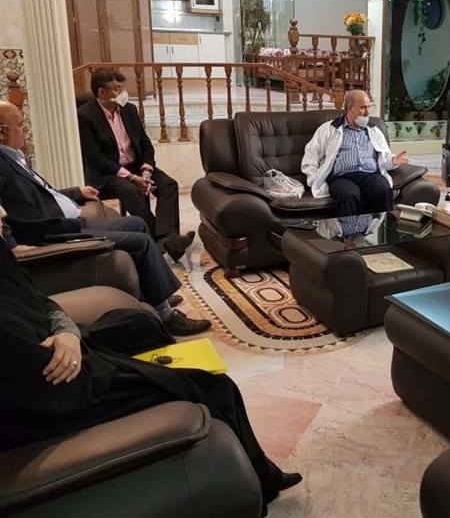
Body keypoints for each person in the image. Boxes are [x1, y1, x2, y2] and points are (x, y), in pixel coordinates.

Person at [0, 205, 302, 516]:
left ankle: (262, 472)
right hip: (59, 396)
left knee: (143, 325)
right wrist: (113, 367)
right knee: (215, 387)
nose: (4, 212)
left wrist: (67, 333)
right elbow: (44, 383)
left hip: (66, 354)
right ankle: (261, 483)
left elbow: (40, 301)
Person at [0, 100, 210, 335]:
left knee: (137, 223)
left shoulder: (13, 157)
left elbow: (44, 195)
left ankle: (152, 293)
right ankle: (167, 316)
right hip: (54, 232)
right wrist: (11, 244)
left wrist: (76, 192)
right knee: (140, 242)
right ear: (2, 132)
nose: (26, 128)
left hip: (70, 222)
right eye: (20, 124)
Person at [77, 69, 193, 261]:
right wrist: (131, 177)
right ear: (102, 93)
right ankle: (164, 240)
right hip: (107, 172)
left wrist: (146, 170)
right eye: (117, 89)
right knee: (130, 190)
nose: (122, 93)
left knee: (168, 184)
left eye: (122, 87)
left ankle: (167, 238)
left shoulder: (129, 110)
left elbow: (145, 145)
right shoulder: (85, 115)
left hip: (136, 165)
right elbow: (95, 158)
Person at [301, 89, 409, 216]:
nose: (367, 112)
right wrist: (314, 180)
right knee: (347, 195)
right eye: (363, 108)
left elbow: (383, 159)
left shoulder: (374, 131)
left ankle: (380, 228)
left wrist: (393, 161)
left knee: (383, 190)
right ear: (350, 108)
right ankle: (349, 229)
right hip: (342, 177)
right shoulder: (328, 129)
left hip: (371, 175)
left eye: (368, 107)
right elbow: (310, 156)